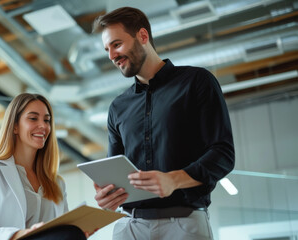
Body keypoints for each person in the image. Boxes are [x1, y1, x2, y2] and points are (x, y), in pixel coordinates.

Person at [91, 7, 235, 240]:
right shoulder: (118, 107)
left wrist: (173, 180)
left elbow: (223, 155)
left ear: (143, 36)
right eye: (107, 49)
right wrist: (108, 195)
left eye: (116, 44)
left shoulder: (197, 82)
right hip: (130, 227)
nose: (111, 56)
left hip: (184, 225)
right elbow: (117, 172)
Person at [0, 93, 86, 240]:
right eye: (33, 118)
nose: (43, 126)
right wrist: (21, 234)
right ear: (15, 126)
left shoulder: (57, 184)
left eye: (47, 120)